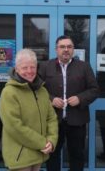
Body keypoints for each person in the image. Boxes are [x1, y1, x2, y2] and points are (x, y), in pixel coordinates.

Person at [38, 35, 99, 171]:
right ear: (56, 49)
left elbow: (94, 90)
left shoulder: (84, 67)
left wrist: (80, 98)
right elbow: (38, 90)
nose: (66, 50)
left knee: (77, 156)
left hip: (77, 121)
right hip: (53, 121)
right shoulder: (45, 66)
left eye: (69, 47)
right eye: (62, 47)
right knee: (52, 156)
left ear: (73, 50)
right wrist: (51, 99)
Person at [0, 48, 58, 171]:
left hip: (38, 154)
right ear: (17, 69)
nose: (29, 71)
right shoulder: (9, 92)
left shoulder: (42, 90)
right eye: (25, 68)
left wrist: (51, 141)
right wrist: (42, 143)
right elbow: (14, 126)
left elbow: (51, 118)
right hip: (20, 157)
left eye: (33, 67)